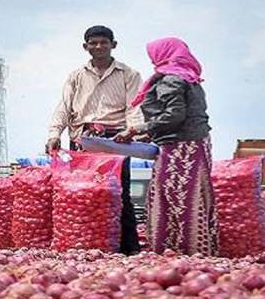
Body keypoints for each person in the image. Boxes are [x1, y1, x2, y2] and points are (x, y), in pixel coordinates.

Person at [113, 37, 217, 256]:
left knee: (174, 197)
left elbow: (174, 115)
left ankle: (177, 250)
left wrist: (136, 129)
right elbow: (184, 115)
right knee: (192, 195)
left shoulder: (172, 79)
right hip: (195, 144)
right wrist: (151, 133)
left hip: (180, 149)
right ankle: (196, 249)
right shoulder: (190, 77)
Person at [46, 25, 143, 255]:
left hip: (116, 139)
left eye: (103, 42)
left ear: (113, 45)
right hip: (83, 139)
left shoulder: (129, 75)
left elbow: (135, 108)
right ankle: (82, 247)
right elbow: (64, 108)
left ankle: (128, 250)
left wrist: (132, 131)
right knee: (81, 193)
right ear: (85, 47)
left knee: (119, 193)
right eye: (93, 43)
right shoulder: (76, 76)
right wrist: (54, 134)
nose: (99, 47)